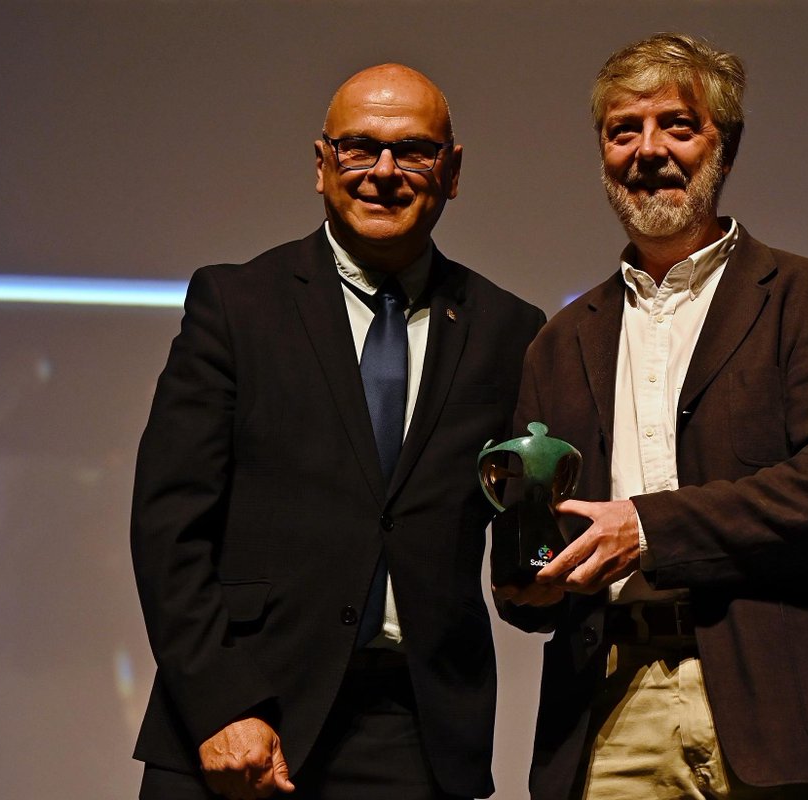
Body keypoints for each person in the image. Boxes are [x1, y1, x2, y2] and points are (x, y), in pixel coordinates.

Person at [496, 33, 808, 800]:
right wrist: (528, 581)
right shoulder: (560, 341)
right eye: (624, 130)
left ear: (727, 144)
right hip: (611, 710)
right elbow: (533, 543)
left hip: (786, 710)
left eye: (677, 126)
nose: (648, 151)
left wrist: (647, 530)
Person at [131, 63, 545, 800]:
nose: (384, 172)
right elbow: (169, 526)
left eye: (413, 150)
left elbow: (522, 527)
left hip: (413, 734)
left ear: (451, 173)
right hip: (239, 721)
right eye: (359, 147)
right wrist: (223, 702)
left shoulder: (510, 330)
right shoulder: (236, 305)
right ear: (323, 165)